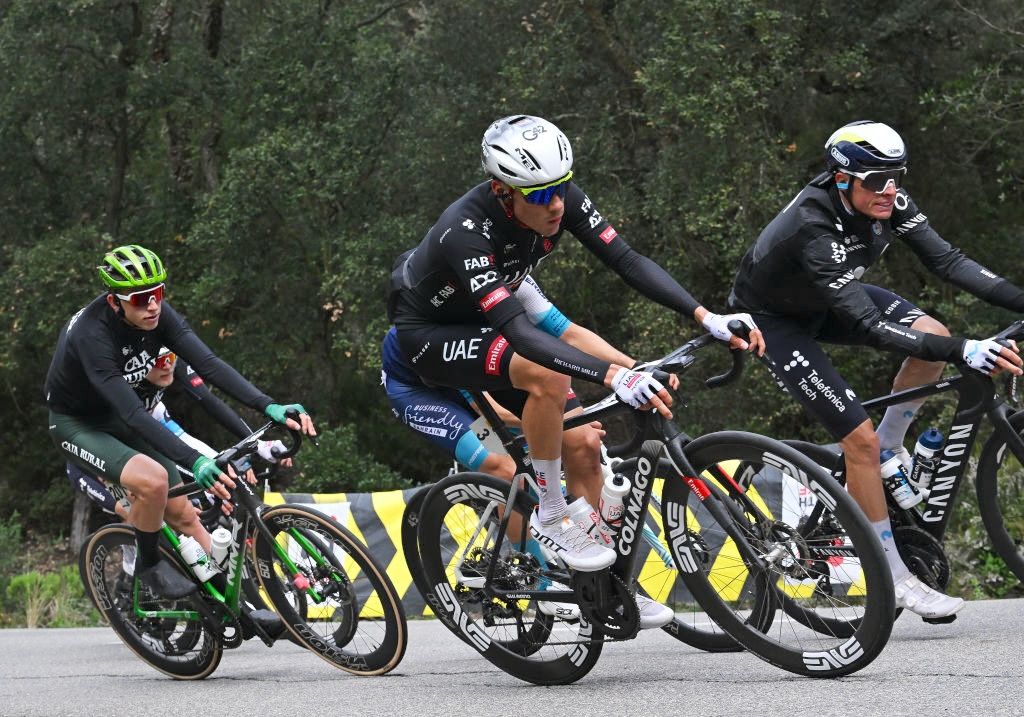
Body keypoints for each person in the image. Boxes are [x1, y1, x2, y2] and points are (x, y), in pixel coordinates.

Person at [387, 115, 759, 602]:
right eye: (541, 195)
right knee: (545, 378)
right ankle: (553, 513)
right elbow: (521, 333)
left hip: (490, 330)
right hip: (427, 341)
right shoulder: (466, 231)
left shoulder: (552, 207)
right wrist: (611, 376)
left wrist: (703, 318)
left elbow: (625, 264)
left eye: (562, 187)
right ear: (504, 192)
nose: (557, 204)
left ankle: (602, 592)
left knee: (583, 443)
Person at [727, 120, 1024, 619]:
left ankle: (891, 445)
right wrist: (963, 350)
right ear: (842, 179)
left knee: (930, 332)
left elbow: (950, 263)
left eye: (897, 177)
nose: (890, 191)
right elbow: (867, 323)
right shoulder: (813, 227)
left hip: (830, 298)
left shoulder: (889, 202)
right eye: (876, 181)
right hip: (776, 323)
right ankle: (894, 573)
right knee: (857, 440)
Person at [383, 274, 679, 627]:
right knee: (502, 469)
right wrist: (548, 426)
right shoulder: (447, 305)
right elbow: (485, 406)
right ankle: (539, 578)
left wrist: (635, 369)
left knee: (584, 443)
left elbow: (567, 332)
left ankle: (607, 583)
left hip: (501, 369)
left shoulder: (514, 277)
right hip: (427, 388)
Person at [46, 244, 316, 601]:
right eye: (141, 298)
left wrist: (269, 406)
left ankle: (245, 606)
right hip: (77, 424)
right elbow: (133, 414)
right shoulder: (91, 335)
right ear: (115, 302)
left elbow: (210, 365)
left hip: (120, 415)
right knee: (155, 481)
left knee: (185, 514)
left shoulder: (159, 316)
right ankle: (148, 566)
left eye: (157, 293)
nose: (153, 305)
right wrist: (195, 461)